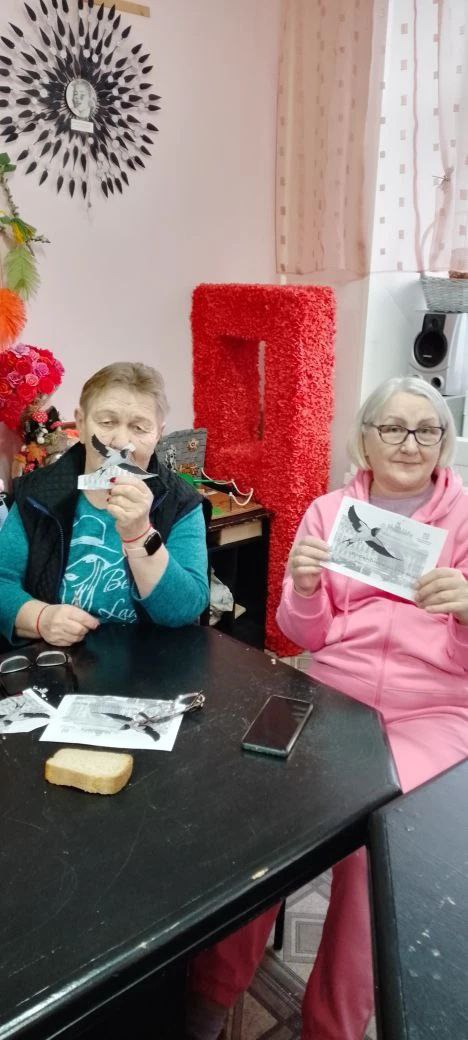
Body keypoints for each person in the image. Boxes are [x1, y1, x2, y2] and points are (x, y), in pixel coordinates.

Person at [186, 376, 468, 1040]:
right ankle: (211, 993)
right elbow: (301, 635)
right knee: (260, 800)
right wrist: (306, 587)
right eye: (392, 427)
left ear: (444, 442)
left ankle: (332, 1026)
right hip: (326, 691)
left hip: (433, 710)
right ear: (365, 438)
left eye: (426, 430)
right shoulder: (330, 511)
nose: (409, 443)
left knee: (381, 844)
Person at [0, 362, 210, 647]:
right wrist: (40, 617)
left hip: (149, 660)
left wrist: (140, 535)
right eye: (107, 422)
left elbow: (185, 610)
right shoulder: (36, 494)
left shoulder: (181, 502)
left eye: (139, 427)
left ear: (158, 434)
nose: (121, 442)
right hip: (59, 658)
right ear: (81, 424)